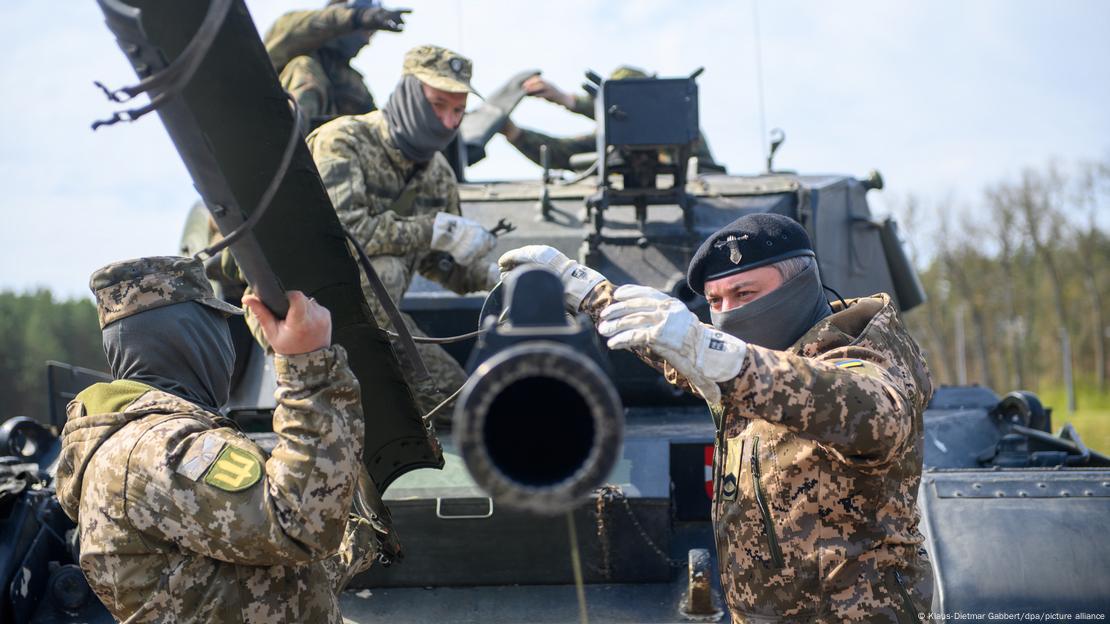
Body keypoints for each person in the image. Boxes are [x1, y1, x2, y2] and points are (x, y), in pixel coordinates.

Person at [498, 213, 935, 622]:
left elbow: (873, 412)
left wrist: (721, 356)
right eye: (714, 301)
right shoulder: (753, 366)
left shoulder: (859, 354)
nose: (728, 313)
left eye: (745, 294)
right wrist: (593, 294)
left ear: (800, 285)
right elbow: (686, 358)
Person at [54, 256, 386, 623]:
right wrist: (309, 364)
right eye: (218, 323)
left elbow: (252, 578)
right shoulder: (163, 447)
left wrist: (359, 537)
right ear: (187, 335)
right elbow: (299, 523)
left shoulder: (134, 445)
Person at [306, 44, 496, 419]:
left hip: (381, 330)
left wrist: (496, 277)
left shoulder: (438, 173)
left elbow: (439, 264)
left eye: (458, 110)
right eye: (438, 105)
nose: (449, 122)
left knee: (461, 400)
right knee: (387, 267)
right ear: (410, 93)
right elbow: (343, 233)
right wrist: (434, 230)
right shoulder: (343, 140)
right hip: (306, 318)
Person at [499, 66, 724, 173]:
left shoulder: (680, 129)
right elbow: (561, 152)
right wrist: (514, 133)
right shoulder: (613, 144)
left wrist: (569, 100)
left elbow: (640, 117)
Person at [264, 0, 412, 129]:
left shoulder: (353, 84)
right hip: (269, 126)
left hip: (318, 153)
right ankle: (289, 133)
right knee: (303, 66)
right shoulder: (290, 32)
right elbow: (308, 25)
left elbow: (375, 127)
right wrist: (356, 17)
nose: (367, 42)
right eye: (366, 31)